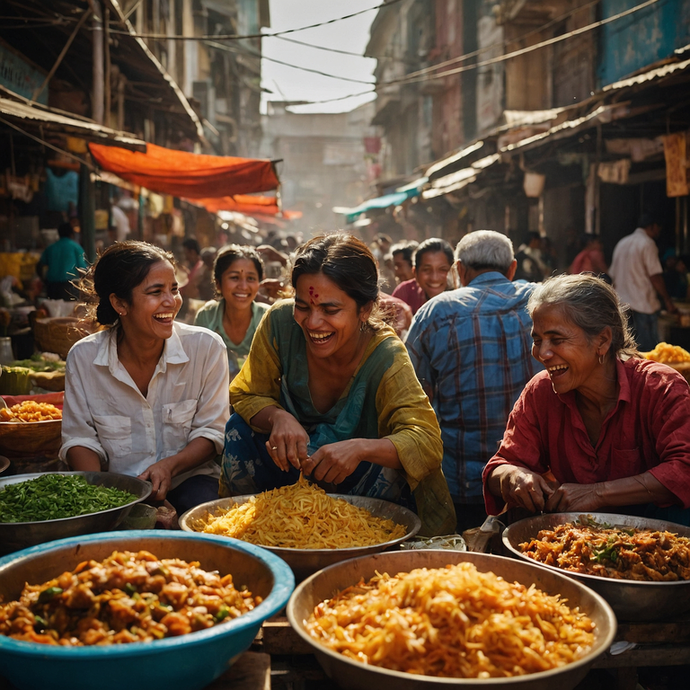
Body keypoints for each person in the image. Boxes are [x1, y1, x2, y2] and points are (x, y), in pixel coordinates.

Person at [221, 233, 456, 536]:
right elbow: (247, 392)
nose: (313, 322)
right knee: (238, 428)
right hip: (288, 471)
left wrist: (359, 448)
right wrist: (278, 416)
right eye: (303, 306)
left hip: (360, 492)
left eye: (330, 311)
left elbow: (425, 442)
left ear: (365, 309)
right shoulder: (280, 323)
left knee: (389, 462)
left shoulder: (386, 355)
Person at [483, 274, 690, 524]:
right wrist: (514, 476)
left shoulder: (660, 387)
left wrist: (598, 493)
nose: (542, 353)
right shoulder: (541, 392)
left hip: (663, 539)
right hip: (576, 537)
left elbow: (683, 469)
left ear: (602, 340)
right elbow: (500, 466)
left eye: (557, 340)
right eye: (537, 340)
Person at [60, 241, 229, 515]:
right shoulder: (84, 357)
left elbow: (212, 432)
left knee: (202, 514)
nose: (171, 301)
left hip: (189, 480)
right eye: (156, 292)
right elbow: (80, 440)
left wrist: (168, 467)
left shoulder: (206, 348)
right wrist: (99, 502)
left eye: (174, 289)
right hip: (116, 488)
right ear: (119, 303)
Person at [406, 231, 542, 531]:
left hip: (461, 482)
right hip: (534, 480)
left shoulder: (436, 312)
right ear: (512, 268)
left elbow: (411, 393)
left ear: (459, 270)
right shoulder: (543, 301)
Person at [194, 245, 269, 379]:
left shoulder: (268, 319)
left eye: (251, 278)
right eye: (234, 277)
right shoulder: (206, 316)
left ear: (259, 283)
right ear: (218, 283)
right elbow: (199, 369)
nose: (243, 286)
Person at [609, 213, 678, 352]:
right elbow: (655, 276)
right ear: (652, 226)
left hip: (622, 306)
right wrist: (668, 301)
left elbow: (612, 276)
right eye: (658, 228)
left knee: (627, 352)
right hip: (643, 306)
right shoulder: (648, 243)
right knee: (647, 353)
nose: (659, 232)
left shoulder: (622, 243)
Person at [392, 238, 454, 315]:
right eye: (426, 270)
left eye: (442, 269)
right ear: (415, 272)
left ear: (454, 271)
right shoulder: (405, 292)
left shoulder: (464, 301)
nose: (434, 278)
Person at [37, 222, 87, 300]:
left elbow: (39, 266)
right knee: (69, 310)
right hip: (69, 285)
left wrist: (43, 280)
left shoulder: (50, 248)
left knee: (53, 309)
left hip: (52, 286)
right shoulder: (76, 247)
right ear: (71, 234)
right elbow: (82, 268)